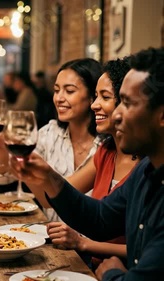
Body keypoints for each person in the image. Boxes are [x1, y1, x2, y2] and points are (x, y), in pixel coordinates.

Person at [9, 47, 164, 280]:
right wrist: (48, 176)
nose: (118, 114)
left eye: (128, 103)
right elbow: (100, 218)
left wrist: (111, 273)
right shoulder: (146, 170)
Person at [41, 58, 137, 268]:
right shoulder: (106, 152)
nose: (95, 105)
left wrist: (83, 243)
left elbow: (144, 247)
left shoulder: (148, 166)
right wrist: (37, 170)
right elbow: (66, 198)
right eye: (96, 96)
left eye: (105, 97)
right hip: (91, 266)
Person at [0, 58, 102, 221]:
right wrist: (2, 150)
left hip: (89, 243)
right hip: (50, 239)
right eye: (56, 90)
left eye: (69, 91)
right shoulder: (50, 133)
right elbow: (4, 177)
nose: (59, 98)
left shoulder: (106, 146)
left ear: (92, 97)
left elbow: (61, 194)